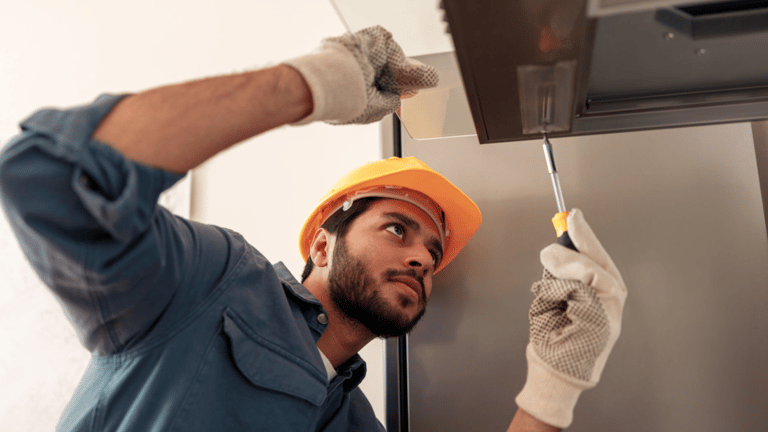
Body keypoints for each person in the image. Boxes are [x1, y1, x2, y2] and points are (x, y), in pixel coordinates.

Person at [0, 26, 626, 431]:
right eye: (398, 229)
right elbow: (49, 178)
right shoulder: (216, 284)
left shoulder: (353, 421)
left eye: (433, 254)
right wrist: (314, 84)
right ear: (323, 242)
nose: (422, 261)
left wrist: (553, 383)